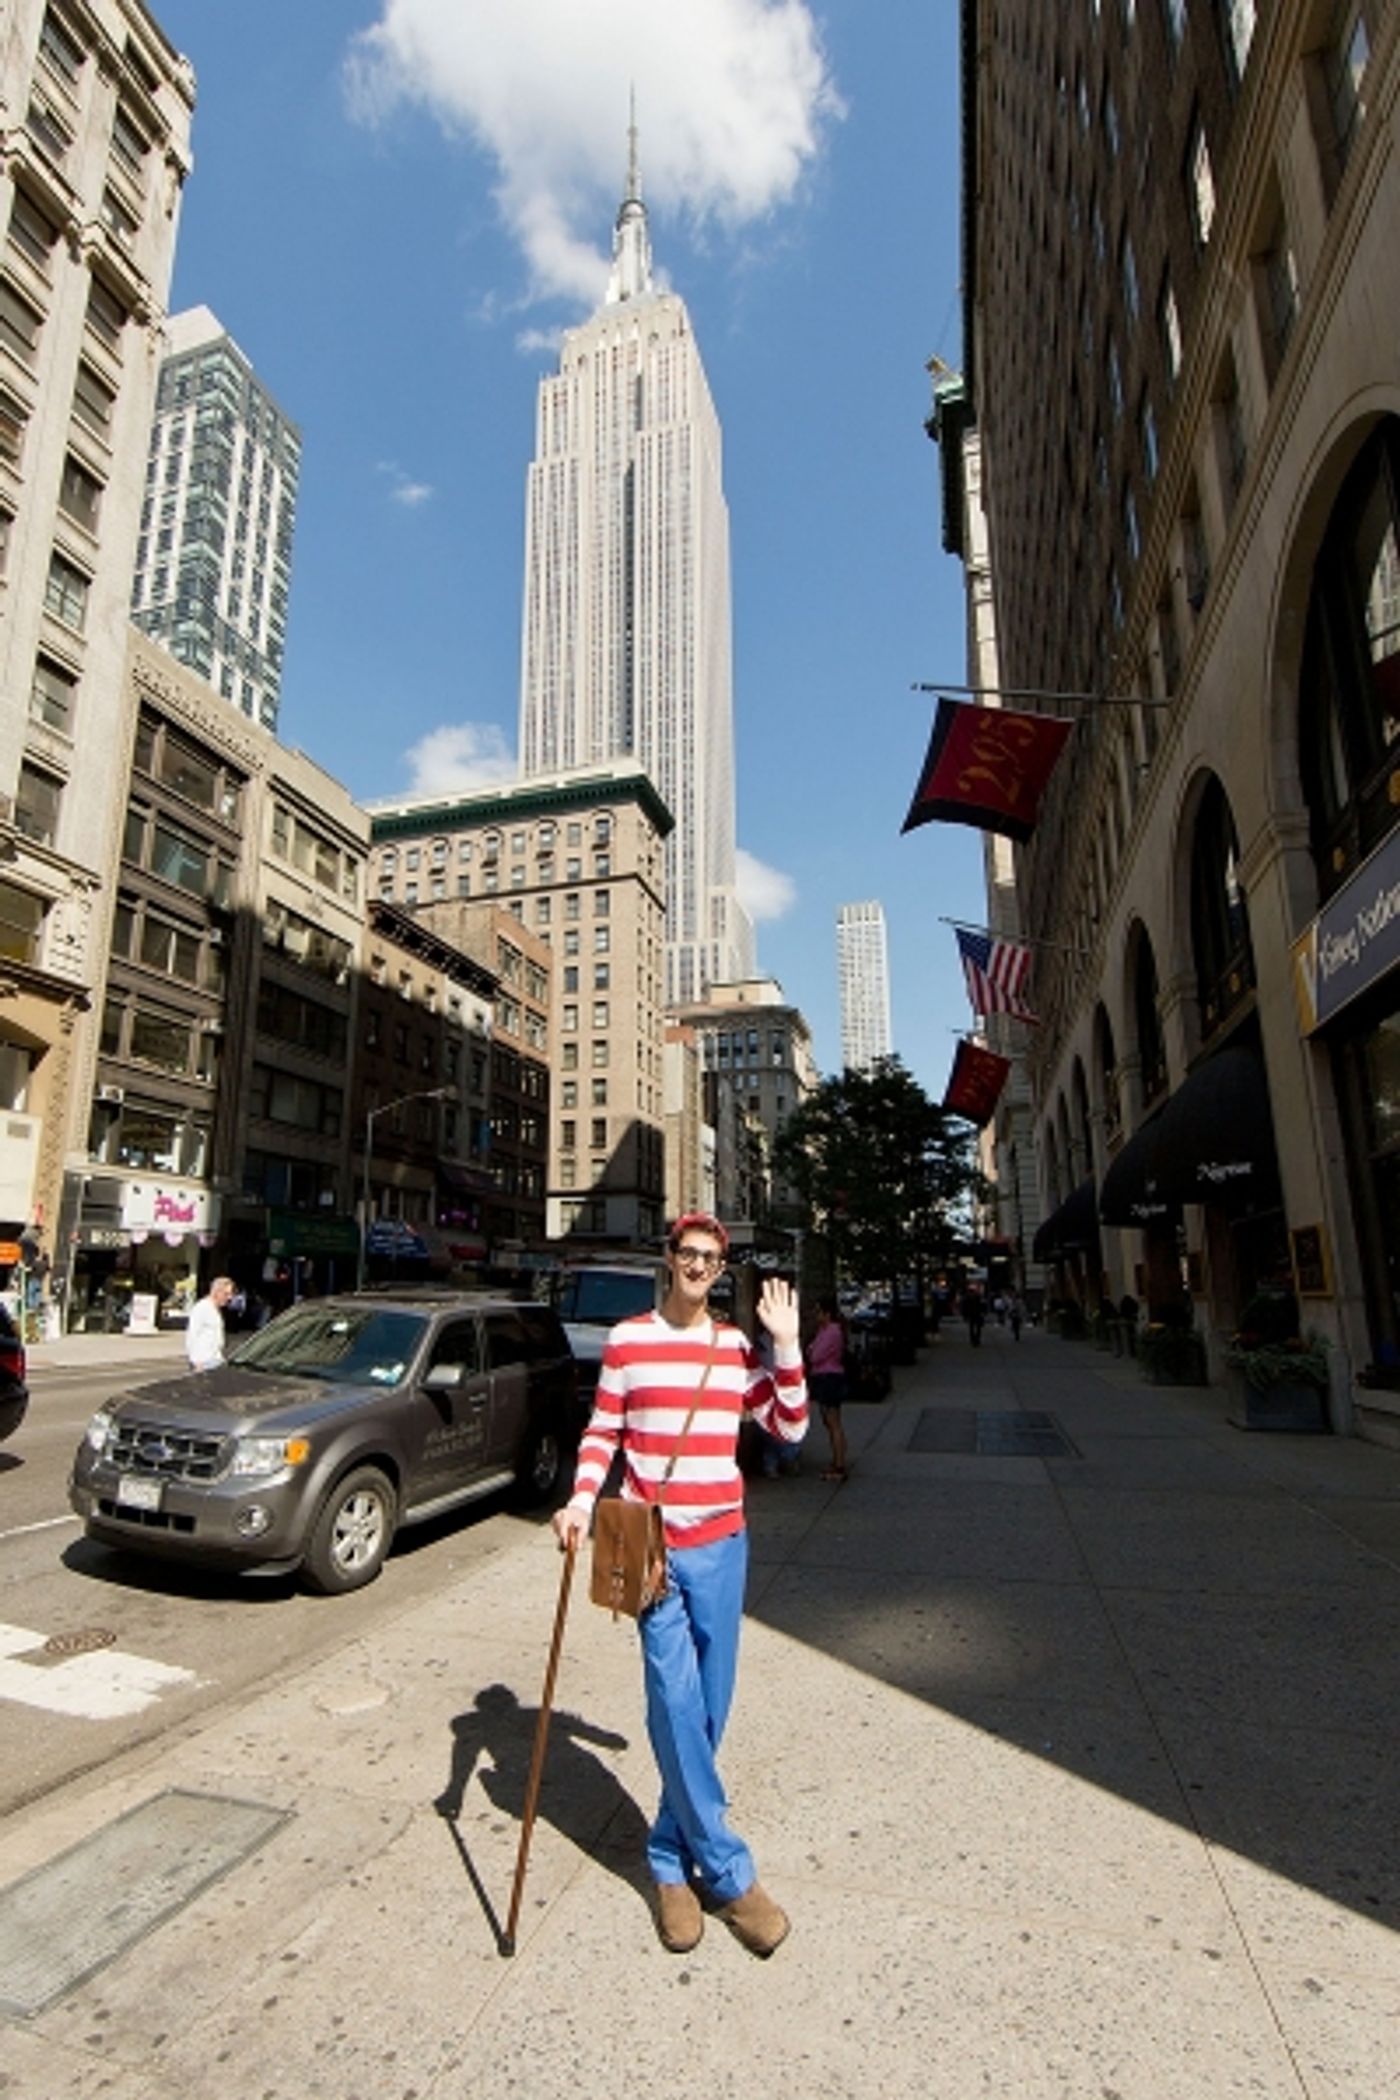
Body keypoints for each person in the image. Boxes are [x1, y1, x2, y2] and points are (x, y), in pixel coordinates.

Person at [552, 1211, 807, 1959]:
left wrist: (786, 1347)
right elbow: (603, 1431)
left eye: (710, 1258)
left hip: (723, 1544)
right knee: (673, 1696)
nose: (697, 1267)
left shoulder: (732, 1349)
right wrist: (579, 1499)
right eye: (687, 1254)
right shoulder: (629, 1341)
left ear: (721, 1270)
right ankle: (726, 1873)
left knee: (708, 1709)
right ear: (667, 1260)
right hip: (649, 1545)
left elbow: (790, 1429)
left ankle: (667, 1856)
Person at [807, 1297, 849, 1482]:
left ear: (827, 1314)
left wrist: (813, 1350)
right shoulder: (825, 1331)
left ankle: (839, 1464)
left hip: (829, 1377)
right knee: (830, 1421)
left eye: (819, 1312)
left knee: (833, 1422)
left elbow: (814, 1355)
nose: (816, 1316)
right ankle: (837, 1460)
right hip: (825, 1377)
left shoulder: (831, 1332)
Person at [185, 1276, 235, 1372]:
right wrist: (196, 1362)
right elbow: (192, 1335)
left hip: (216, 1359)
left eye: (230, 1294)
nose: (229, 1298)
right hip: (204, 1361)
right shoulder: (202, 1308)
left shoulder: (215, 1309)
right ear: (216, 1292)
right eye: (226, 1294)